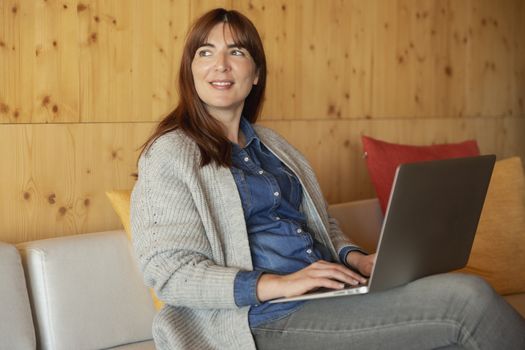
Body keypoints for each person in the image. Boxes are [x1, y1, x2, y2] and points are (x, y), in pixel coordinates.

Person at [130, 8, 525, 350]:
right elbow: (171, 275)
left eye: (236, 51)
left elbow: (322, 225)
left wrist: (355, 258)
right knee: (465, 300)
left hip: (328, 298)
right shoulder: (170, 154)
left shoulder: (274, 146)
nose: (221, 65)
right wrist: (279, 284)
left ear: (255, 75)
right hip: (261, 322)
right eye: (205, 52)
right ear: (191, 71)